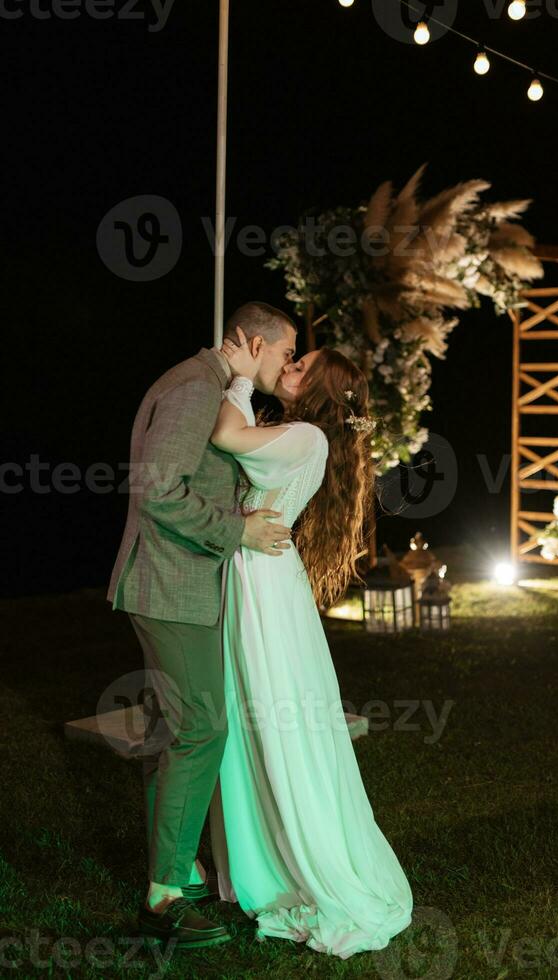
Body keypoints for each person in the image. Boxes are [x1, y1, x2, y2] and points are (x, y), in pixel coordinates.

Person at [206, 326, 413, 959]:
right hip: (261, 574)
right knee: (256, 717)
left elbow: (225, 437)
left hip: (260, 583)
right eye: (293, 359)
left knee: (267, 715)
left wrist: (240, 375)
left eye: (303, 366)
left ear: (321, 388)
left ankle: (289, 860)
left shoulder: (307, 435)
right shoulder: (303, 435)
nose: (290, 367)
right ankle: (257, 853)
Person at [106, 301, 298, 949]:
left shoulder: (205, 383)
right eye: (284, 352)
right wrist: (237, 530)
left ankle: (180, 868)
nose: (288, 364)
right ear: (250, 340)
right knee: (202, 730)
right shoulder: (193, 388)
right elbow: (159, 489)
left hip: (171, 583)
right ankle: (162, 902)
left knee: (174, 731)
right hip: (172, 586)